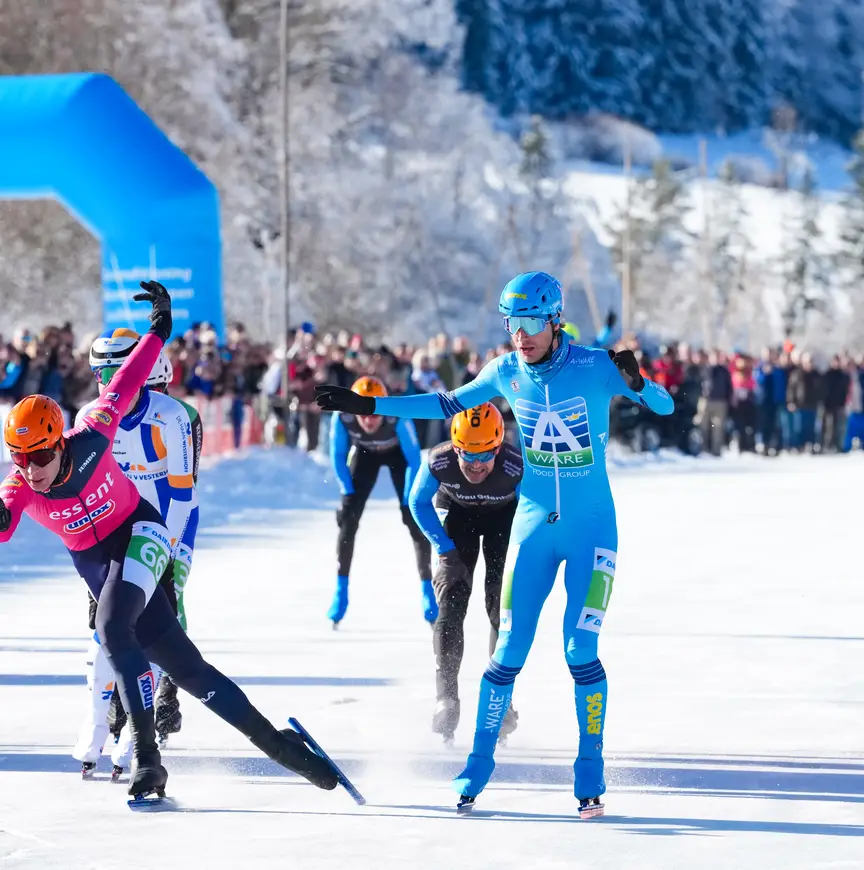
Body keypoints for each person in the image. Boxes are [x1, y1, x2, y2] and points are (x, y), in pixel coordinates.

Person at [316, 271, 673, 817]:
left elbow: (666, 408)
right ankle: (477, 766)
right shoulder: (505, 371)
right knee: (507, 651)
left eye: (531, 322)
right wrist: (373, 408)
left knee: (580, 650)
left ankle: (590, 776)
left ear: (554, 321)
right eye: (512, 324)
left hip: (592, 530)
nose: (521, 335)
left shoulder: (597, 366)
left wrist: (640, 383)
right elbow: (444, 405)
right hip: (534, 528)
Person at [1, 282, 339, 801]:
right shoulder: (20, 484)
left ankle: (148, 760)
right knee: (188, 670)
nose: (32, 471)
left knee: (114, 628)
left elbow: (131, 377)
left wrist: (161, 325)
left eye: (39, 458)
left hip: (142, 530)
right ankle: (284, 747)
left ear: (58, 442)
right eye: (19, 460)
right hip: (99, 564)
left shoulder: (92, 432)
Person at [72, 331, 202, 779]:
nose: (111, 388)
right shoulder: (90, 417)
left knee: (154, 622)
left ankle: (139, 732)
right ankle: (96, 725)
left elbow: (183, 493)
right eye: (101, 378)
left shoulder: (175, 416)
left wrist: (166, 550)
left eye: (119, 377)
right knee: (103, 626)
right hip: (111, 532)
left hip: (168, 525)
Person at [408, 402, 522, 745]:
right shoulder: (439, 460)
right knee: (451, 606)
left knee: (500, 609)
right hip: (456, 519)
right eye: (466, 455)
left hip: (504, 519)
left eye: (484, 455)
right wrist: (443, 547)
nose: (474, 465)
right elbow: (417, 503)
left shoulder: (518, 465)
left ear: (498, 447)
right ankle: (446, 699)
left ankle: (502, 702)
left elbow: (540, 508)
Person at [328, 375, 435, 627]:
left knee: (413, 518)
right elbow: (338, 455)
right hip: (365, 455)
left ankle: (427, 590)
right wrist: (347, 493)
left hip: (398, 455)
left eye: (373, 412)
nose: (368, 419)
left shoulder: (396, 416)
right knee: (348, 518)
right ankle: (340, 590)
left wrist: (409, 499)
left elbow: (413, 460)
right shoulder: (342, 417)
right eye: (362, 413)